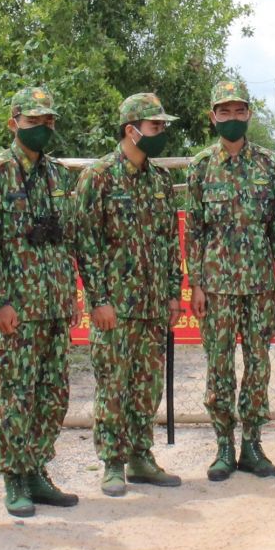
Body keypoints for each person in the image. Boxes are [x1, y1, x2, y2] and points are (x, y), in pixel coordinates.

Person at [74, 92, 185, 497]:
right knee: (113, 385)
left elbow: (170, 242)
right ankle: (112, 463)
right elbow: (84, 243)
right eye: (155, 127)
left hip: (153, 304)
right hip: (115, 307)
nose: (161, 133)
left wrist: (174, 294)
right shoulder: (98, 176)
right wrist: (98, 299)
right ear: (131, 130)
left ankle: (141, 455)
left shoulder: (160, 181)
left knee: (146, 385)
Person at [0, 86, 81, 517]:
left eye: (48, 121)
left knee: (53, 393)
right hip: (17, 309)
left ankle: (38, 469)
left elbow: (68, 239)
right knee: (15, 395)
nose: (42, 127)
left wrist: (72, 293)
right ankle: (14, 477)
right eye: (33, 120)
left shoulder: (59, 176)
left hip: (55, 303)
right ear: (14, 122)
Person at [183, 80, 275, 481]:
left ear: (248, 114)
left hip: (261, 282)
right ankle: (224, 445)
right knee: (220, 365)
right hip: (217, 285)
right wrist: (195, 283)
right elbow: (193, 230)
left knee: (258, 363)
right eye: (223, 111)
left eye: (238, 110)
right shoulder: (200, 167)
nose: (231, 118)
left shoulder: (266, 164)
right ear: (213, 116)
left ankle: (252, 443)